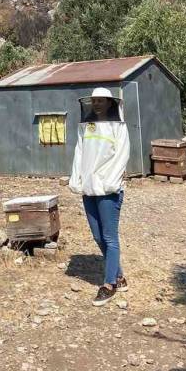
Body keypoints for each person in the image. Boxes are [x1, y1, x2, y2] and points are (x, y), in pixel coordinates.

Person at [69, 86, 130, 306]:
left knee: (110, 237)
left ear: (109, 103)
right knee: (97, 236)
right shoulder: (86, 126)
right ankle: (119, 277)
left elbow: (122, 155)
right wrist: (76, 179)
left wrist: (110, 182)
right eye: (94, 101)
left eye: (101, 101)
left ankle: (109, 285)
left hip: (108, 189)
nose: (96, 104)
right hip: (88, 188)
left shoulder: (118, 127)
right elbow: (79, 153)